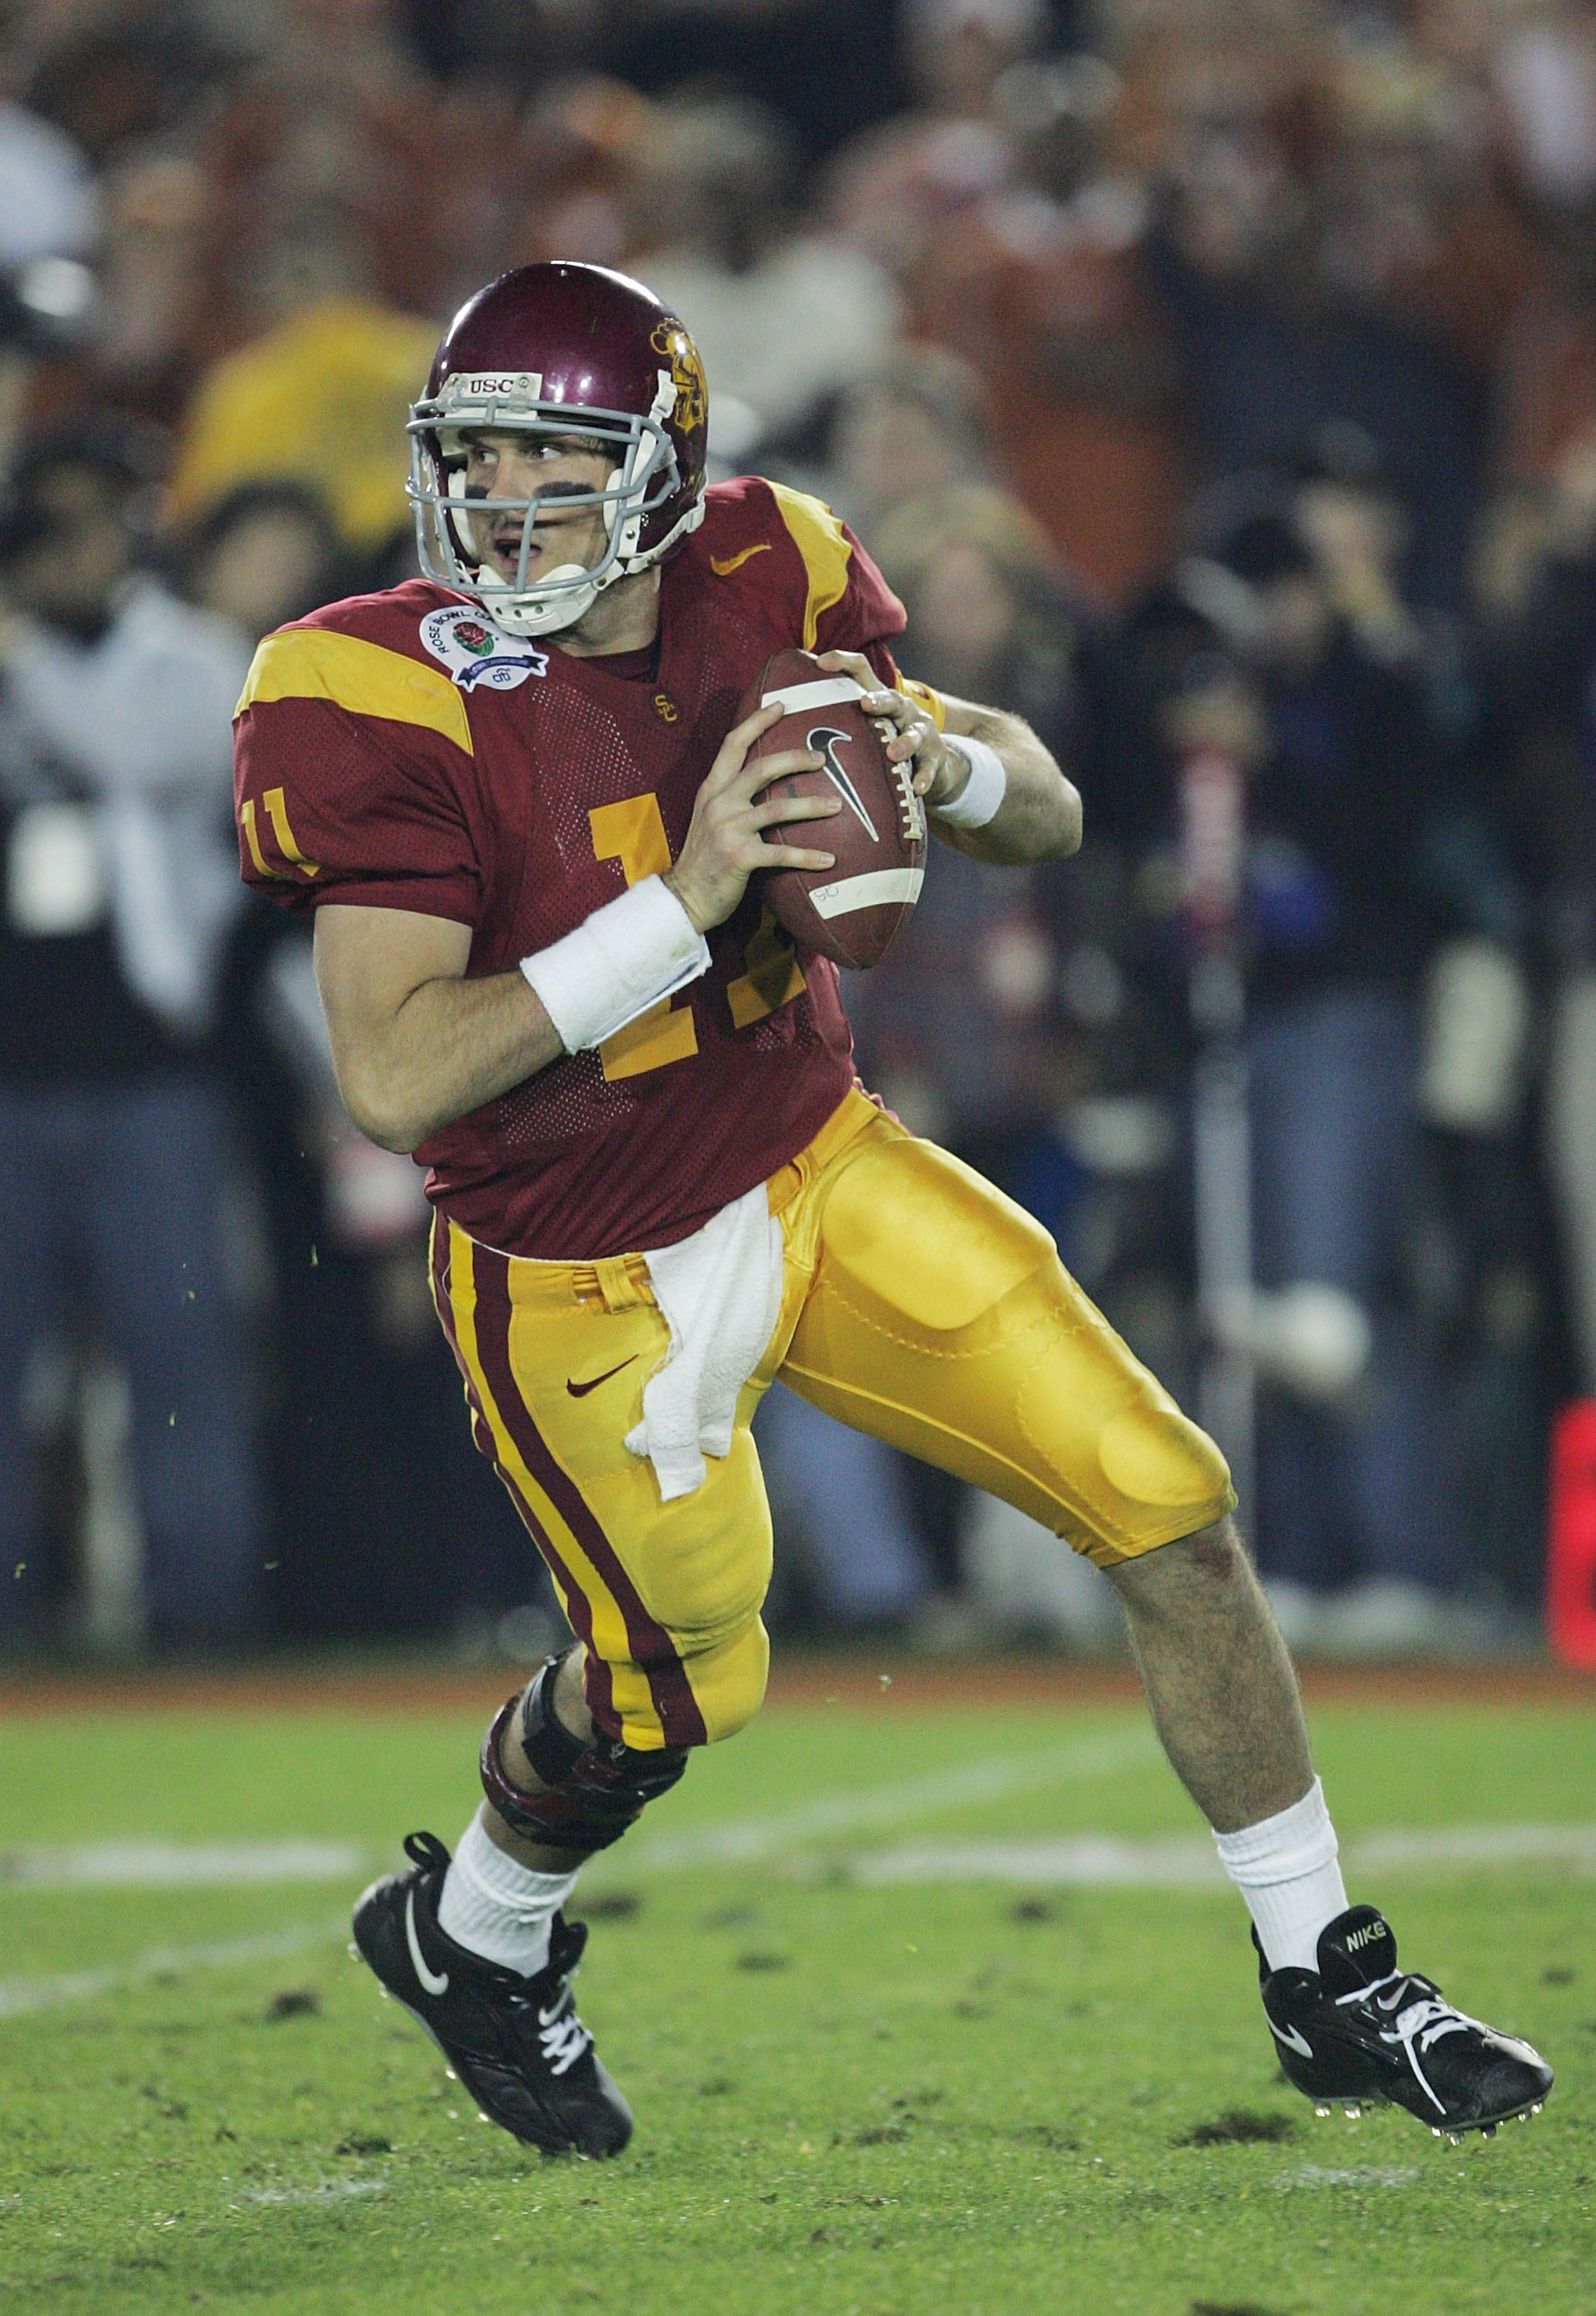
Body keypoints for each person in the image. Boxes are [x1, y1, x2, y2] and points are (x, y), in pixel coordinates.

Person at [232, 261, 1551, 2157]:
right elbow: (398, 1074)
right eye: (478, 455)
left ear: (669, 469)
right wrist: (686, 900)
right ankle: (478, 1933)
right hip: (573, 1261)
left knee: (1166, 1506)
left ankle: (1324, 1970)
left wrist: (937, 755)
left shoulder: (772, 563)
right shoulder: (360, 679)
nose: (504, 499)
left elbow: (1048, 809)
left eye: (552, 455)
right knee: (680, 1689)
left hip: (812, 1155)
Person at [0, 418, 262, 1647]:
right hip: (10, 1082)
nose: (62, 555)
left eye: (84, 525)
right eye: (41, 529)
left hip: (151, 1076)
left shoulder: (190, 657)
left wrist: (21, 655)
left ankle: (197, 1628)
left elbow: (145, 763)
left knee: (178, 1370)